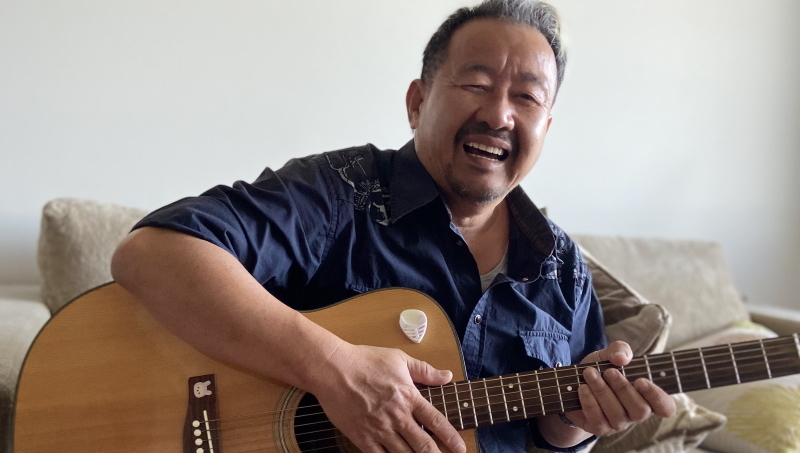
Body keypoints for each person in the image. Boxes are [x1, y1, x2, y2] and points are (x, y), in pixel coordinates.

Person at [111, 0, 675, 451]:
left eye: (526, 97)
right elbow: (151, 254)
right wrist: (334, 369)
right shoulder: (341, 190)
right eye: (476, 84)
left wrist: (575, 424)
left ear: (545, 128)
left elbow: (547, 432)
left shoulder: (562, 269)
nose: (500, 114)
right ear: (417, 102)